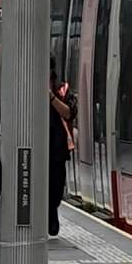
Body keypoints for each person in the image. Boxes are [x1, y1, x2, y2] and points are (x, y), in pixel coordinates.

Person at [49, 61, 76, 236]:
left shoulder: (62, 90)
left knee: (57, 188)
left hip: (58, 149)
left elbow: (69, 113)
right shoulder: (27, 86)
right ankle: (49, 217)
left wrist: (51, 98)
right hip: (37, 150)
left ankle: (52, 211)